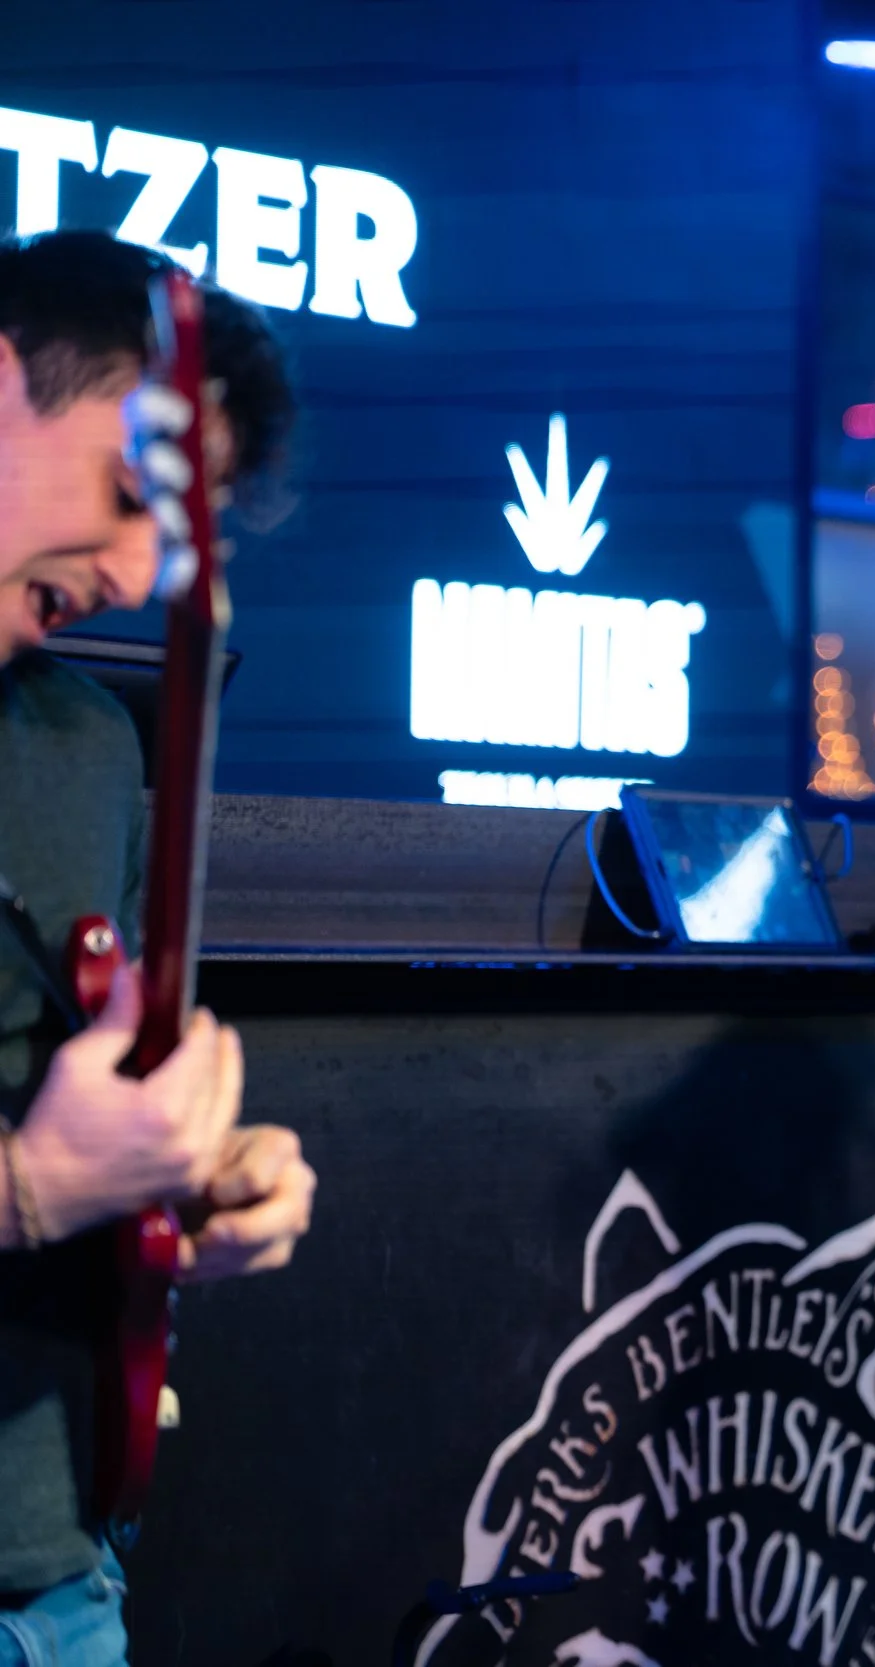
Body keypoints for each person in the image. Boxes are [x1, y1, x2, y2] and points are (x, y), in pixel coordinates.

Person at [0, 229, 316, 1667]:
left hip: (58, 1568)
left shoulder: (78, 749)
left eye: (178, 535)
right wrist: (31, 1183)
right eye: (130, 497)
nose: (139, 573)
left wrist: (181, 1182)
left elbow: (77, 1090)